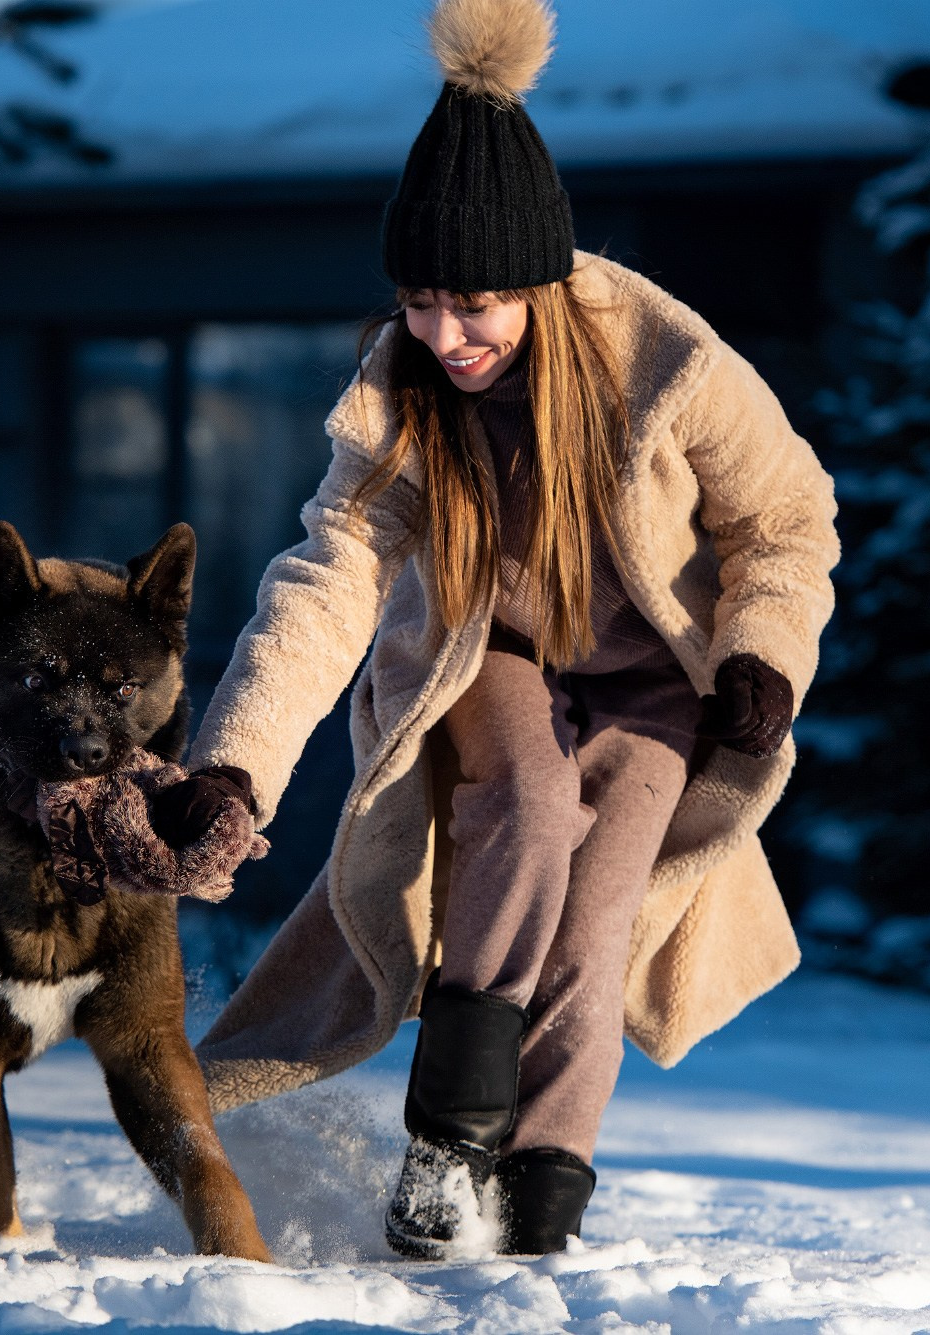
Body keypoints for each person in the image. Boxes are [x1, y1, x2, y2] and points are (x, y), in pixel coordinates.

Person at [148, 0, 839, 1259]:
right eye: (416, 302)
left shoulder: (667, 364)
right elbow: (329, 578)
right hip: (490, 656)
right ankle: (448, 1143)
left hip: (650, 684)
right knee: (519, 806)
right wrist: (234, 765)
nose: (442, 335)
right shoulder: (401, 395)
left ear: (534, 278)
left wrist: (760, 652)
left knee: (600, 906)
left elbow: (787, 521)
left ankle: (539, 1194)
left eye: (469, 304)